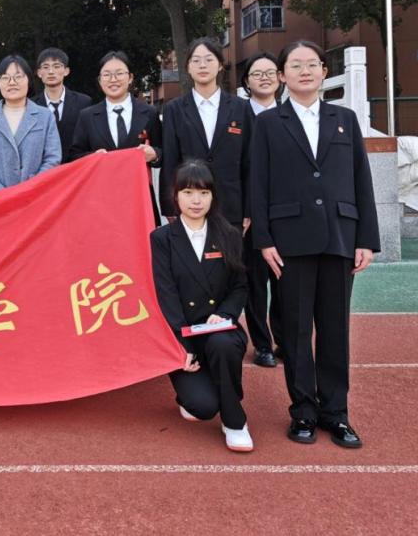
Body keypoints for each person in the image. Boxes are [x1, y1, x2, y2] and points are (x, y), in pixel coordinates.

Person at [250, 40, 380, 448]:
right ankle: (303, 411)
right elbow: (258, 183)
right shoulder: (268, 123)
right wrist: (264, 239)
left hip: (340, 237)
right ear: (282, 75)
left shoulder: (345, 119)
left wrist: (366, 238)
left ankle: (336, 413)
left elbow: (361, 180)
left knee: (335, 330)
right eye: (295, 65)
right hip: (289, 240)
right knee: (295, 331)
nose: (304, 71)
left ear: (324, 71)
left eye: (312, 64)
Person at [151, 160, 252, 452]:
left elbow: (240, 286)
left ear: (213, 196)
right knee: (203, 407)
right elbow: (166, 294)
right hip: (183, 335)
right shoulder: (161, 238)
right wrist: (183, 346)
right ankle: (195, 394)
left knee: (222, 344)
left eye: (204, 193)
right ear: (175, 196)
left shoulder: (229, 234)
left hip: (219, 329)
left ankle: (235, 422)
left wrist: (224, 314)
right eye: (188, 192)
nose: (196, 201)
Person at [160, 36, 253, 231]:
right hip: (189, 206)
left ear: (220, 65)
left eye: (209, 59)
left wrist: (250, 208)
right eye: (196, 60)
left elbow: (249, 161)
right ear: (188, 67)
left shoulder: (241, 107)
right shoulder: (174, 109)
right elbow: (170, 161)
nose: (202, 65)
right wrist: (169, 206)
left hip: (232, 205)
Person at [69, 50, 162, 226]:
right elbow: (74, 155)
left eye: (119, 73)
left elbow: (163, 151)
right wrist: (93, 158)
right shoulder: (87, 116)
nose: (113, 79)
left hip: (139, 197)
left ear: (130, 77)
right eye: (107, 75)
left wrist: (154, 155)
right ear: (100, 80)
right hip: (99, 200)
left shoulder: (149, 113)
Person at [240, 53, 284, 368]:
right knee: (254, 283)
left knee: (285, 281)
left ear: (280, 77)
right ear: (247, 81)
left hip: (286, 213)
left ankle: (284, 340)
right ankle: (262, 344)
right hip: (250, 216)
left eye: (270, 72)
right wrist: (246, 210)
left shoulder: (291, 115)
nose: (264, 78)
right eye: (257, 73)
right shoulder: (237, 115)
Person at [0, 55, 61, 195]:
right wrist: (1, 193)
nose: (12, 82)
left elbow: (53, 158)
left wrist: (30, 189)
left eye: (18, 77)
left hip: (36, 197)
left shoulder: (45, 116)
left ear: (29, 80)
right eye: (5, 78)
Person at [33, 47, 91, 163]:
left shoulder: (83, 102)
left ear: (66, 71)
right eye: (46, 67)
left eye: (56, 66)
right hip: (43, 169)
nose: (51, 71)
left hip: (76, 166)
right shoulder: (31, 105)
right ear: (39, 73)